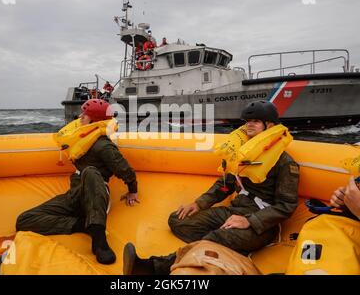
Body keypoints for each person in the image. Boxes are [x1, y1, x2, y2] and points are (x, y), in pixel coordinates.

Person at [123, 100, 300, 274]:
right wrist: (198, 204)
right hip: (234, 210)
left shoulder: (284, 162)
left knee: (216, 237)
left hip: (259, 224)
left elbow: (286, 206)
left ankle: (153, 267)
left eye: (255, 121)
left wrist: (249, 221)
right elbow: (225, 185)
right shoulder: (243, 152)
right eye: (247, 122)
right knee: (177, 220)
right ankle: (228, 246)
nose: (248, 126)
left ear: (269, 126)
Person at [16, 99, 139, 265]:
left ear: (94, 121)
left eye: (85, 115)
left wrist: (133, 190)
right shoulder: (82, 139)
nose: (80, 116)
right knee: (24, 220)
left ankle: (98, 238)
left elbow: (126, 170)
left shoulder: (103, 146)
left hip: (96, 197)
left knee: (89, 172)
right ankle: (82, 225)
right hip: (75, 196)